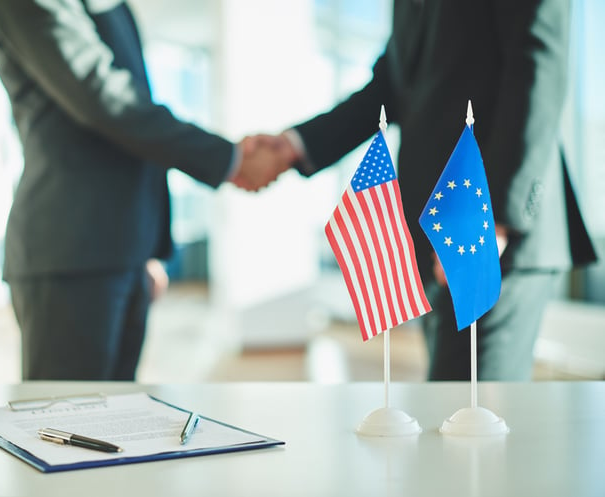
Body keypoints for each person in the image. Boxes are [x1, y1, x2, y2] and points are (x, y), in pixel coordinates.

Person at [249, 0, 598, 380]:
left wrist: (492, 217)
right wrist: (296, 145)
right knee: (449, 411)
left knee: (471, 419)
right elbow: (389, 88)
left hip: (488, 232)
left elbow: (539, 70)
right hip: (432, 231)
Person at [0, 0, 288, 381]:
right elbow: (106, 98)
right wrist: (230, 159)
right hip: (71, 253)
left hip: (124, 251)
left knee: (118, 423)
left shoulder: (112, 7)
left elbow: (135, 120)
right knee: (67, 426)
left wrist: (147, 249)